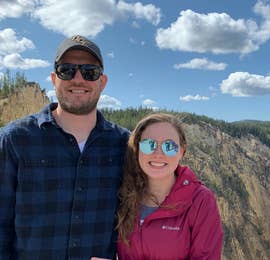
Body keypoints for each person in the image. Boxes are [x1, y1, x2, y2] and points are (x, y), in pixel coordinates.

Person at [0, 35, 130, 259]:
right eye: (67, 70)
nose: (78, 79)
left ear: (102, 81)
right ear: (53, 78)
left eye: (90, 72)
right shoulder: (15, 139)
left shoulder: (124, 144)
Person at [115, 113, 223, 259]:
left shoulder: (200, 201)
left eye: (169, 146)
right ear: (138, 149)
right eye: (149, 144)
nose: (158, 154)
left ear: (181, 152)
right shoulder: (124, 194)